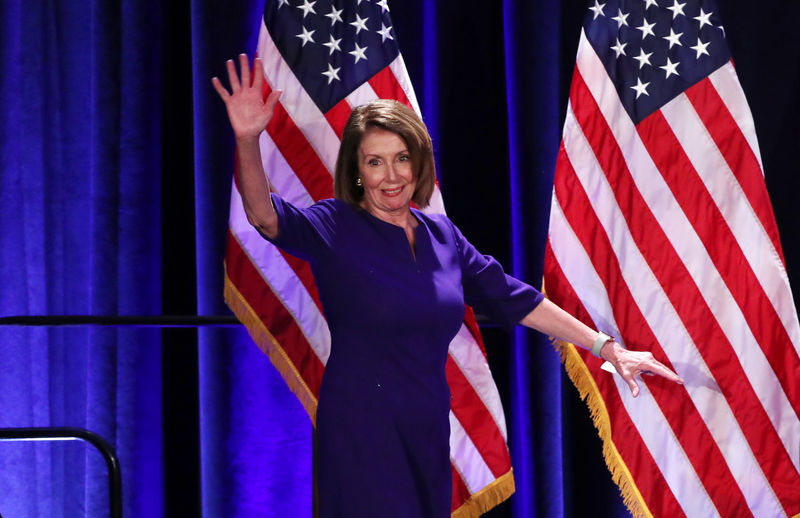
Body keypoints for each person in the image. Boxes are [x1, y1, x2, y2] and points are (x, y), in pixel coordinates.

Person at [212, 54, 683, 518]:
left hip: (428, 427)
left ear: (418, 164)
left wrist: (607, 348)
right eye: (375, 162)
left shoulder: (442, 236)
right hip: (362, 431)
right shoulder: (336, 225)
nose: (391, 175)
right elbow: (266, 217)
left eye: (401, 159)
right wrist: (248, 139)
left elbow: (516, 298)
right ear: (357, 171)